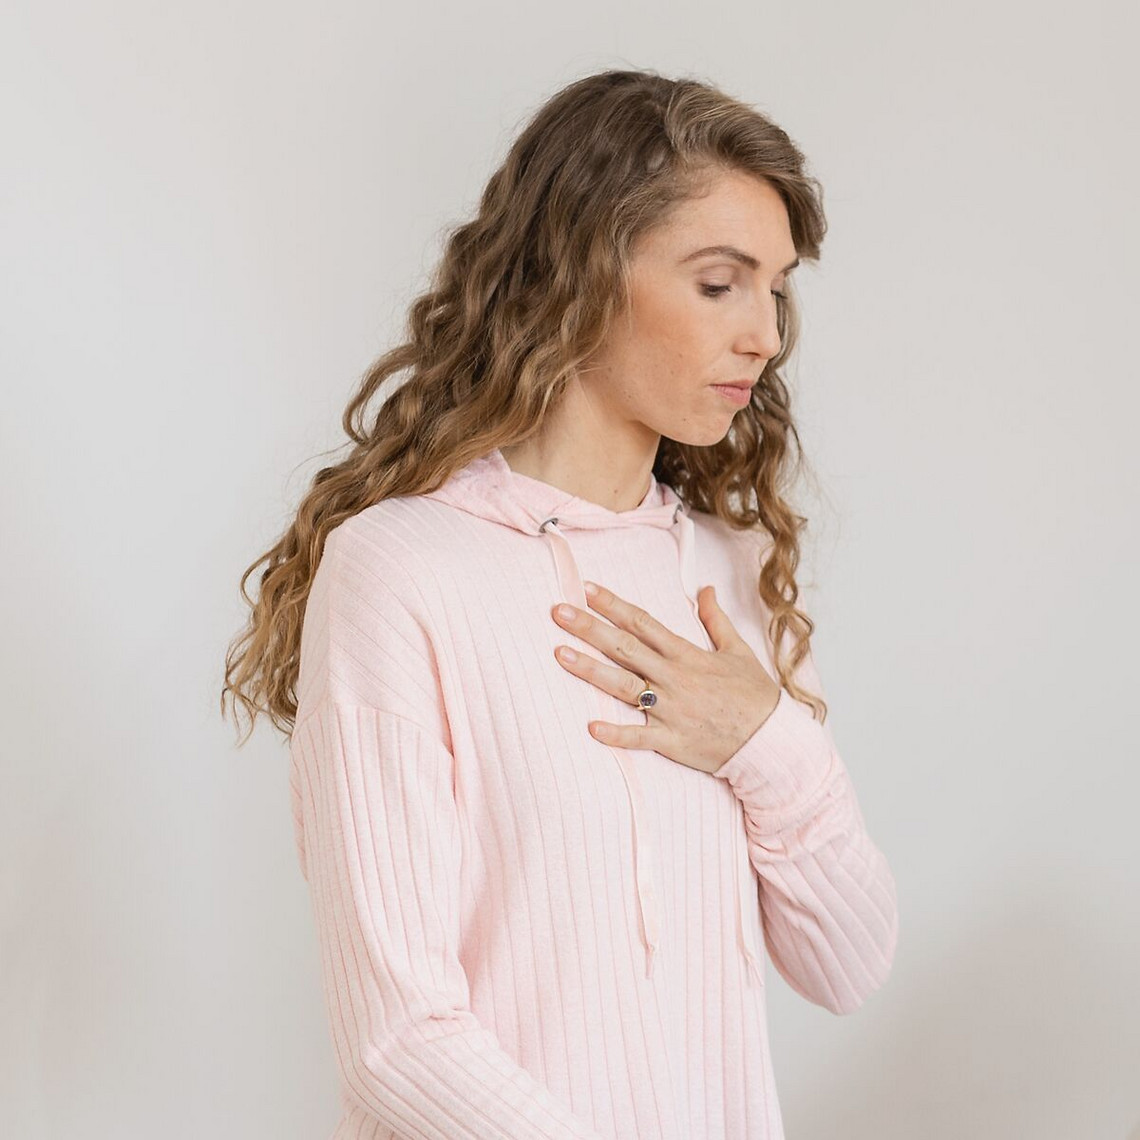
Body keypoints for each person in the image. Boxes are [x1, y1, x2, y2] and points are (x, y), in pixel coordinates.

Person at [222, 67, 899, 1140]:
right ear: (580, 276)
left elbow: (848, 964)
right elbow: (399, 1042)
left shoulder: (733, 572)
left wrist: (762, 740)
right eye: (719, 284)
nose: (766, 335)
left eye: (775, 288)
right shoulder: (402, 569)